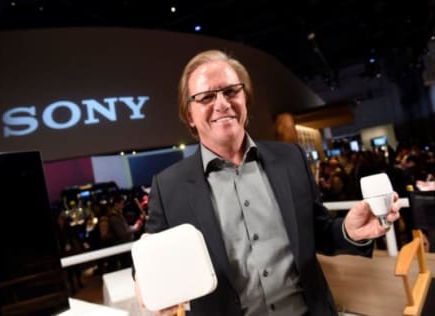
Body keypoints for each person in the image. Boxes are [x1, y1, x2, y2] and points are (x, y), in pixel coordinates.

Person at [134, 49, 401, 316]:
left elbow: (317, 232)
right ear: (189, 115)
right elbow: (150, 259)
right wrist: (144, 281)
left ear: (245, 99)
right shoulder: (168, 186)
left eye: (231, 91)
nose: (222, 103)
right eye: (206, 97)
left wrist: (349, 231)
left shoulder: (291, 158)